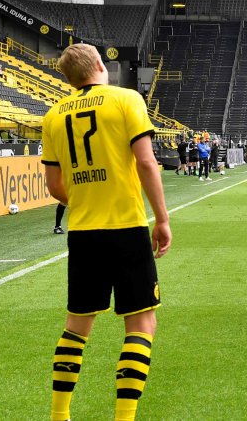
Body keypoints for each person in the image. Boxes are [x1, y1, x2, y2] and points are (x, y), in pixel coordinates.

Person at [40, 43, 170, 421]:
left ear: (69, 77)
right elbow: (146, 162)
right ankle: (124, 417)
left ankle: (59, 415)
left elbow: (54, 185)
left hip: (83, 231)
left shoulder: (52, 116)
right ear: (100, 64)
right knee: (142, 322)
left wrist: (84, 198)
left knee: (77, 326)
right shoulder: (126, 99)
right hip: (126, 227)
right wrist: (161, 219)